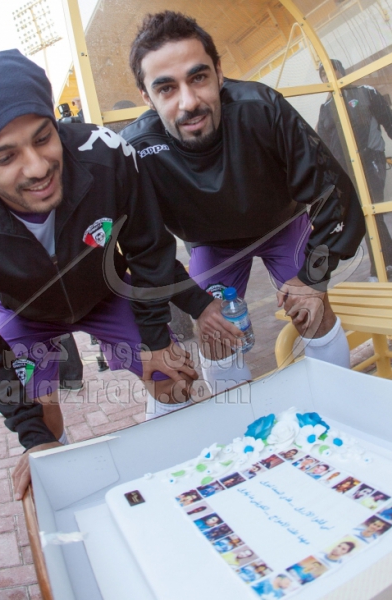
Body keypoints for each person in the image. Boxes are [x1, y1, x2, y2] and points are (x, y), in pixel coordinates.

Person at [0, 49, 219, 499]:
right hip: (24, 314)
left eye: (43, 137)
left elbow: (147, 251)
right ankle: (69, 491)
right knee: (42, 422)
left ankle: (170, 480)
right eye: (5, 158)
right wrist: (33, 437)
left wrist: (157, 340)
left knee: (175, 379)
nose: (37, 167)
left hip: (105, 293)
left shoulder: (106, 152)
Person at [122, 11, 366, 391]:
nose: (189, 102)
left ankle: (340, 403)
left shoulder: (262, 108)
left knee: (312, 310)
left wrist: (313, 278)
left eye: (198, 78)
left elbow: (334, 195)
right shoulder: (137, 149)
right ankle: (242, 421)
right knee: (216, 334)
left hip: (282, 225)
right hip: (211, 244)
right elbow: (145, 250)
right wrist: (197, 307)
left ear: (219, 73)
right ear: (147, 98)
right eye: (166, 88)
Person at [317, 59, 392, 281]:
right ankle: (390, 262)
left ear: (341, 71)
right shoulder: (326, 108)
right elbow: (323, 146)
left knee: (369, 211)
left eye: (331, 71)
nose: (327, 77)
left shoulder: (365, 92)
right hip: (345, 171)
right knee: (363, 215)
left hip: (371, 160)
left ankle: (383, 265)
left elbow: (391, 124)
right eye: (323, 75)